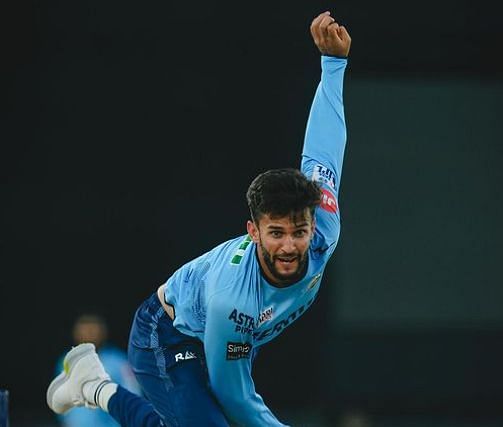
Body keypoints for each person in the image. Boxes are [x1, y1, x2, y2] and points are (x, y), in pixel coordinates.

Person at [47, 11, 351, 427]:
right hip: (166, 333)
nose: (288, 246)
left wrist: (333, 65)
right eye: (275, 233)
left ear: (312, 226)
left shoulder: (324, 226)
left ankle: (93, 385)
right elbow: (237, 397)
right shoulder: (236, 301)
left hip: (217, 337)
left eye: (298, 232)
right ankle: (97, 388)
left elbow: (323, 151)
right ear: (253, 231)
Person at [54, 315, 140, 427]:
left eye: (93, 329)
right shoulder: (65, 362)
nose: (89, 333)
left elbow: (133, 397)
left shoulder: (119, 362)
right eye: (84, 329)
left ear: (103, 331)